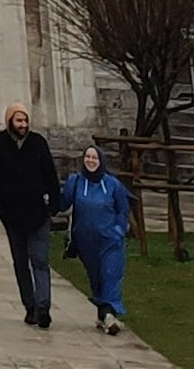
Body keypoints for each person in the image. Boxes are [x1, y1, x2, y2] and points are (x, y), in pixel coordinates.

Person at [0, 99, 64, 332]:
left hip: (38, 214)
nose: (23, 124)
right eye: (19, 120)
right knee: (20, 263)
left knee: (40, 260)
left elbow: (50, 174)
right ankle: (30, 307)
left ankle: (43, 307)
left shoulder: (37, 143)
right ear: (10, 121)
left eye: (25, 119)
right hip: (12, 216)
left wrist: (53, 205)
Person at [59, 141, 134, 337]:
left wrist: (118, 230)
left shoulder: (112, 184)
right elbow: (62, 202)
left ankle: (109, 315)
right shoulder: (75, 182)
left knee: (110, 274)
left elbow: (123, 209)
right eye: (88, 157)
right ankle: (104, 316)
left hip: (110, 240)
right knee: (97, 278)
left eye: (94, 158)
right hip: (86, 242)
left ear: (101, 161)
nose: (91, 161)